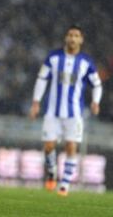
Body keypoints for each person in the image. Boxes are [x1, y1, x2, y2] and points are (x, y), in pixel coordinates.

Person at [29, 25, 103, 197]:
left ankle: (65, 184)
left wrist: (95, 102)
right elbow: (41, 79)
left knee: (71, 146)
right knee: (48, 146)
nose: (73, 38)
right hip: (52, 112)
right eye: (70, 35)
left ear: (81, 40)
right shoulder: (54, 57)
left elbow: (97, 85)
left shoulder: (86, 62)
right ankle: (53, 171)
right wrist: (36, 102)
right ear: (66, 38)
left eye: (76, 35)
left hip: (74, 114)